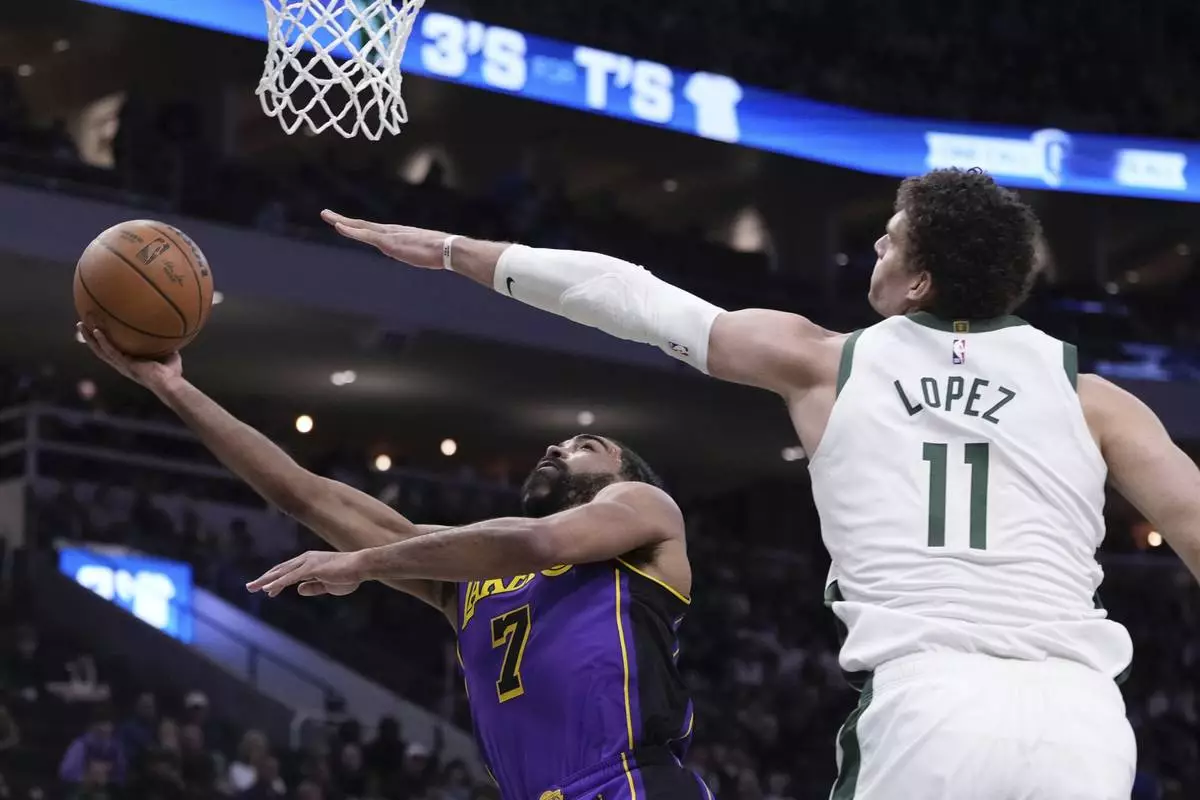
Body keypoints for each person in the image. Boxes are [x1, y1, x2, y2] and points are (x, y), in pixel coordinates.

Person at [314, 167, 1200, 800]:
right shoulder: (1096, 399)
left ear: (920, 282)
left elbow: (635, 298)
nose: (877, 243)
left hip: (933, 703)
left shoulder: (826, 362)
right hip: (1084, 723)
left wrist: (452, 250)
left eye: (892, 238)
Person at [78, 327, 715, 800]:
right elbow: (306, 496)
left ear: (622, 474)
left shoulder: (644, 507)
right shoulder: (473, 574)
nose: (557, 446)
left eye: (585, 446)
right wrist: (172, 387)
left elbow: (542, 543)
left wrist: (365, 562)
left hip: (630, 784)